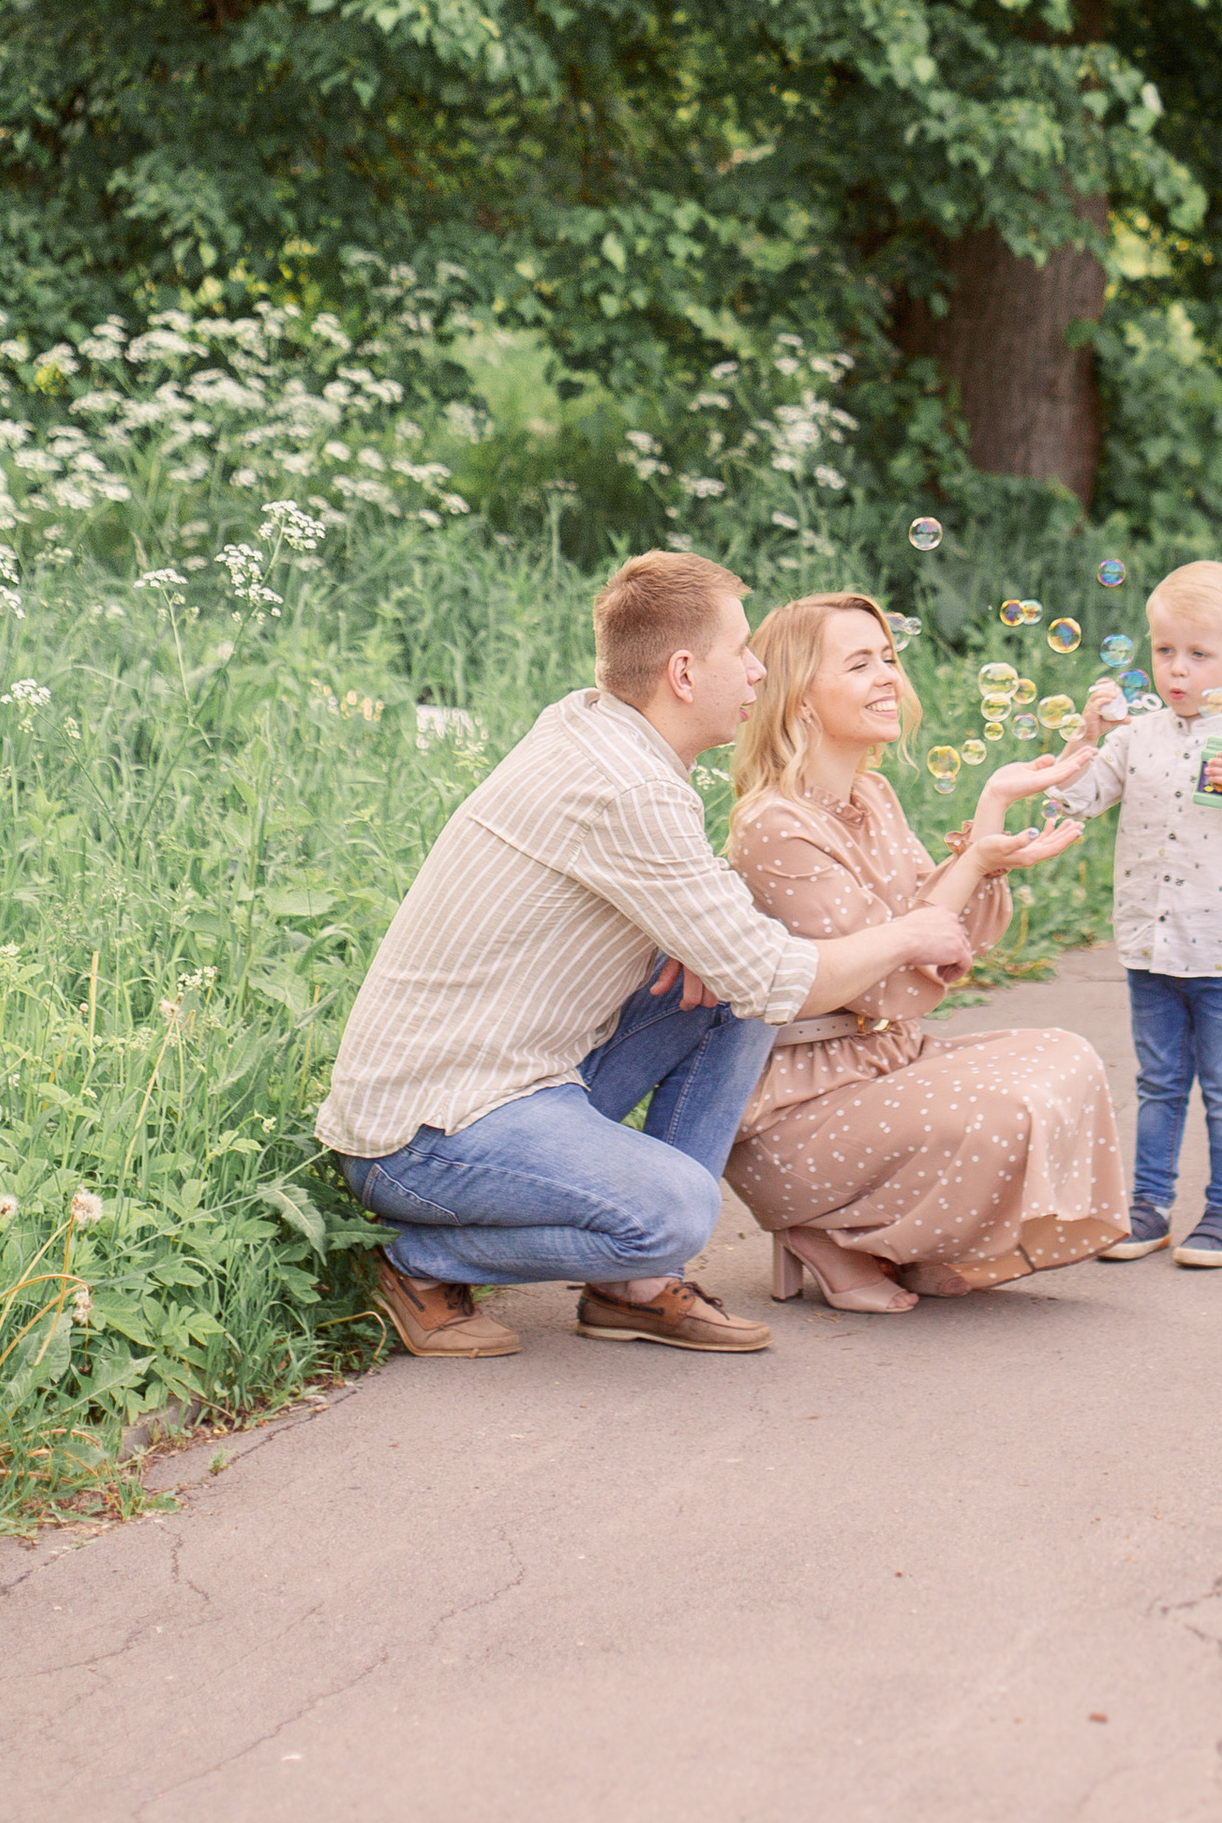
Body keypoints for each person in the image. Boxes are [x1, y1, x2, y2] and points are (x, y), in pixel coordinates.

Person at [314, 552, 981, 1358]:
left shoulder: (592, 726)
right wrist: (908, 935)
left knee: (728, 996)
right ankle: (414, 1263)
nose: (759, 670)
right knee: (677, 1211)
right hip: (424, 1138)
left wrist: (706, 948)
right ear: (685, 673)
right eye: (741, 651)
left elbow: (737, 958)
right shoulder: (628, 789)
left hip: (520, 1079)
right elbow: (776, 976)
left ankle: (632, 1286)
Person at [718, 593, 1129, 1312]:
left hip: (884, 1063)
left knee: (1067, 1060)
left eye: (889, 658)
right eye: (858, 663)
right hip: (799, 1107)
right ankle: (822, 1226)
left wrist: (992, 821)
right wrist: (971, 864)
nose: (886, 676)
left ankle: (894, 1239)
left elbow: (944, 935)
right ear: (800, 699)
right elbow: (883, 979)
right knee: (1005, 1108)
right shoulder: (772, 825)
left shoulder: (873, 794)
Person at [1045, 553, 1222, 1270]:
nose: (1178, 669)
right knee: (1158, 1081)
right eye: (1165, 651)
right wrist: (1087, 735)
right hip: (1151, 947)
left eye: (1199, 653)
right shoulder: (1136, 737)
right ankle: (1149, 1206)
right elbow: (1071, 798)